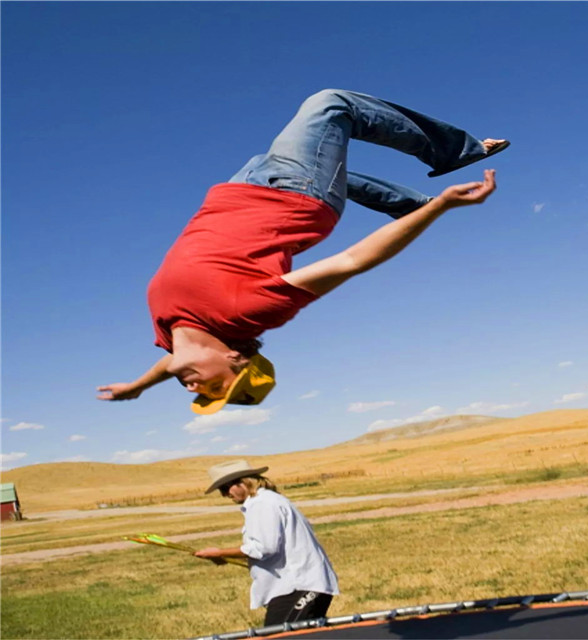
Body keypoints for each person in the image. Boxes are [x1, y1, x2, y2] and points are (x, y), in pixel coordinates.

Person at [97, 89, 508, 414]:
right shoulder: (246, 313)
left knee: (335, 174)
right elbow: (353, 261)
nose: (194, 388)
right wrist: (441, 207)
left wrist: (136, 387)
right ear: (236, 359)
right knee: (331, 104)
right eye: (214, 388)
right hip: (292, 195)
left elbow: (171, 367)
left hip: (245, 185)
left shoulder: (173, 336)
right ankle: (455, 153)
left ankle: (408, 205)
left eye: (197, 394)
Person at [194, 459, 339, 626]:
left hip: (299, 585)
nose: (225, 494)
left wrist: (219, 552)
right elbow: (270, 548)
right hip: (294, 586)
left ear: (243, 482)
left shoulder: (262, 504)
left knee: (278, 636)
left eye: (226, 488)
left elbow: (264, 548)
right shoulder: (266, 501)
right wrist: (226, 557)